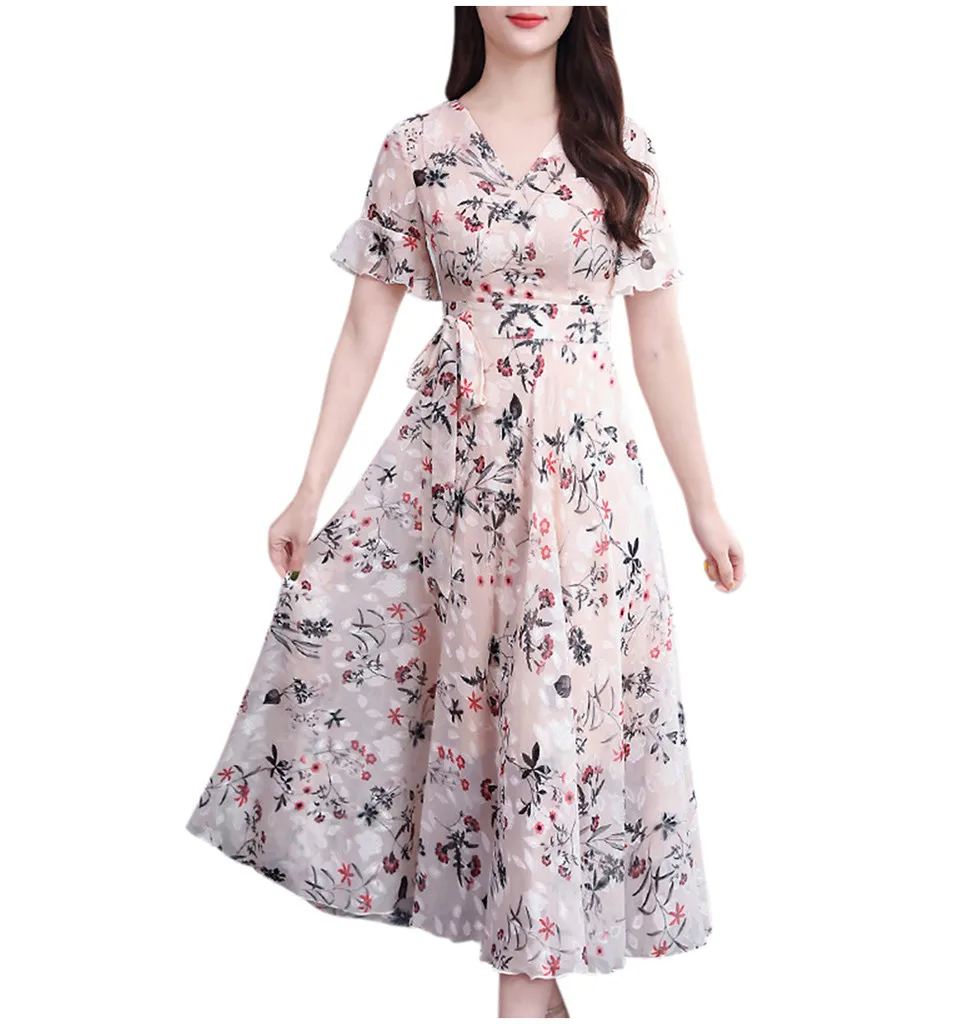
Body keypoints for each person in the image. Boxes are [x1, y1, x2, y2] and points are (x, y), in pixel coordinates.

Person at [185, 6, 744, 1018]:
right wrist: (308, 488)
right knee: (489, 720)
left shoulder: (624, 152)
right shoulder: (417, 149)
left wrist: (705, 505)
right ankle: (531, 993)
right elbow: (364, 330)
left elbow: (658, 341)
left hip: (584, 501)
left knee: (558, 720)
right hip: (456, 491)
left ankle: (527, 995)